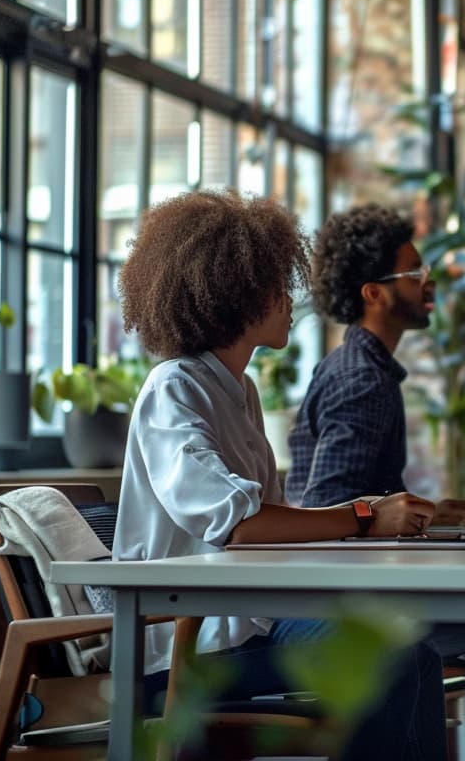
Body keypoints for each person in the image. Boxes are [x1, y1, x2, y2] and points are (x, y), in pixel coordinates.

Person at [111, 190, 446, 760]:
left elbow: (264, 526)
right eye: (274, 285)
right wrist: (364, 517)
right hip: (186, 648)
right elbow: (236, 524)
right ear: (233, 292)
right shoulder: (174, 387)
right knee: (391, 655)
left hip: (242, 624)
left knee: (413, 650)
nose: (290, 299)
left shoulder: (238, 391)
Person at [286, 203, 465, 761]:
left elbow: (352, 494)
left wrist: (430, 513)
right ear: (374, 293)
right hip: (342, 609)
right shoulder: (363, 381)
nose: (428, 281)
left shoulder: (352, 364)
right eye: (414, 273)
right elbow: (325, 506)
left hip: (355, 593)